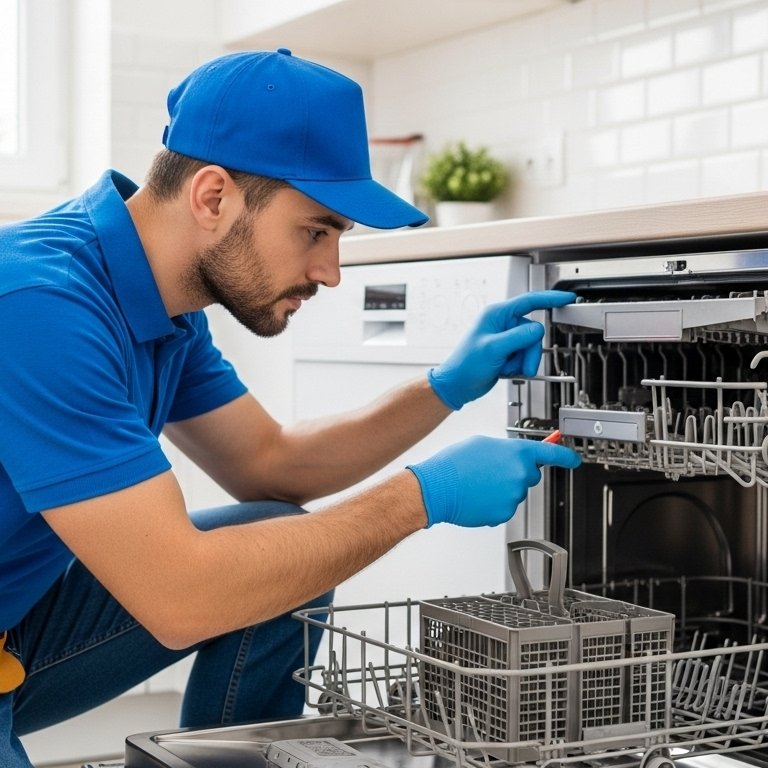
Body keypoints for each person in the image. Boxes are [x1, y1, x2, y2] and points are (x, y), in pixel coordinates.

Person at [0, 48, 580, 766]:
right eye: (316, 230)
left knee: (275, 535)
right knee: (221, 572)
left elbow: (269, 465)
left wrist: (443, 389)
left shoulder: (164, 307)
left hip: (15, 636)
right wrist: (419, 499)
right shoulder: (39, 303)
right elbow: (178, 596)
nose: (330, 272)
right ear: (213, 197)